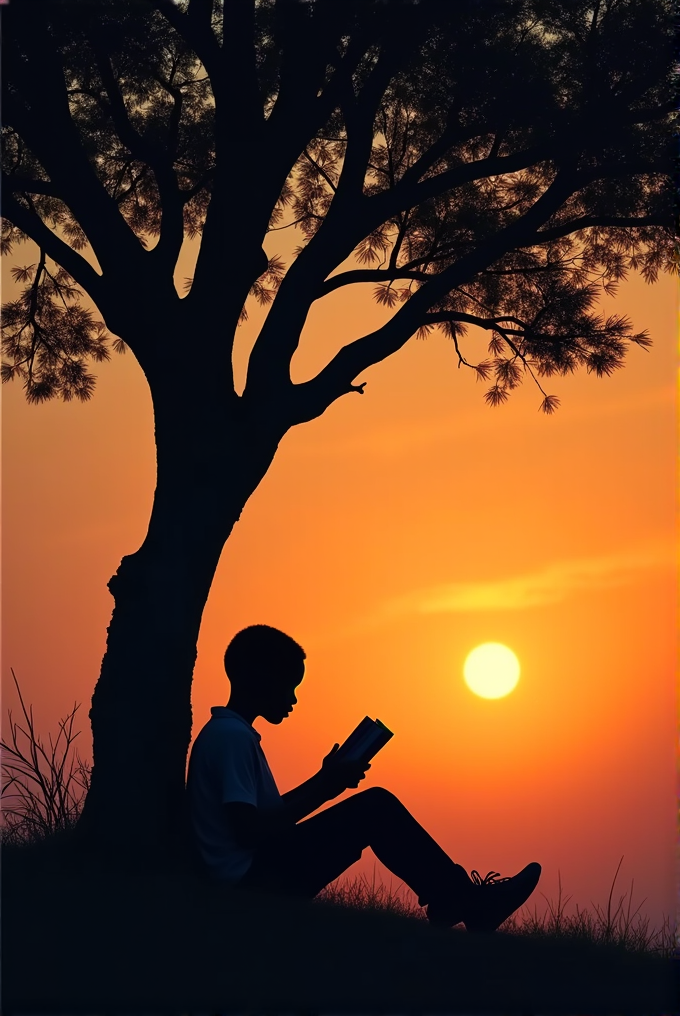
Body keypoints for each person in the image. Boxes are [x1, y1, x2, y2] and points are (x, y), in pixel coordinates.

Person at [186, 624, 541, 931]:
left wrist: (325, 781)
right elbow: (250, 832)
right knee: (375, 807)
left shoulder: (231, 734)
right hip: (251, 887)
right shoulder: (231, 738)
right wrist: (325, 788)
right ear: (260, 678)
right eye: (287, 685)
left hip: (253, 877)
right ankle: (466, 903)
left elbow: (268, 817)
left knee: (373, 807)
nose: (293, 699)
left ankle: (459, 900)